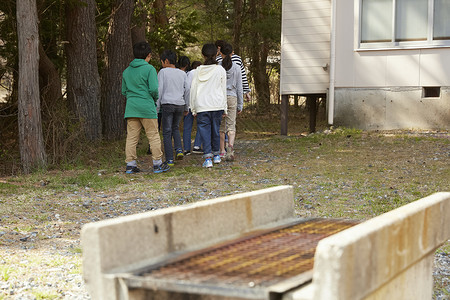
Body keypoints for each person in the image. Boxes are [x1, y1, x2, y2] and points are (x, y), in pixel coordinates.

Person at [121, 41, 170, 174]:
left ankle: (130, 165)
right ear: (148, 55)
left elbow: (124, 91)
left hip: (131, 108)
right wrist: (153, 99)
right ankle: (157, 163)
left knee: (131, 137)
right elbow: (154, 89)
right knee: (153, 135)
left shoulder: (126, 71)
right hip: (147, 107)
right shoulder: (150, 69)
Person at [190, 44, 227, 168]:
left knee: (205, 131)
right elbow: (223, 89)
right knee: (215, 130)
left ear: (203, 55)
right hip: (217, 104)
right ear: (216, 54)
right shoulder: (220, 70)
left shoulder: (198, 71)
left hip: (202, 105)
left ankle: (208, 158)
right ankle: (216, 155)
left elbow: (193, 90)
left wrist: (193, 108)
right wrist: (225, 107)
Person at [157, 50, 189, 167]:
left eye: (161, 61)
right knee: (175, 128)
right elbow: (187, 90)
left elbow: (159, 90)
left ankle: (169, 159)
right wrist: (187, 106)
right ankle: (179, 150)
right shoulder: (182, 73)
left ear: (166, 61)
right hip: (180, 104)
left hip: (167, 104)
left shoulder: (163, 72)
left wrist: (157, 106)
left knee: (166, 132)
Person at [218, 43, 243, 161]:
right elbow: (240, 87)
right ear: (232, 53)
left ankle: (222, 151)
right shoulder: (237, 67)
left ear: (220, 53)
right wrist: (240, 104)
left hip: (220, 98)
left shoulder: (218, 67)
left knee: (221, 126)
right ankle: (230, 149)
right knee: (231, 125)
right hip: (232, 97)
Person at [182, 60, 203, 155]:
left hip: (189, 103)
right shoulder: (202, 73)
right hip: (200, 103)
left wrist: (185, 104)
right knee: (201, 125)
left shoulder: (189, 74)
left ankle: (186, 148)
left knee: (187, 126)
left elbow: (187, 89)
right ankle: (197, 145)